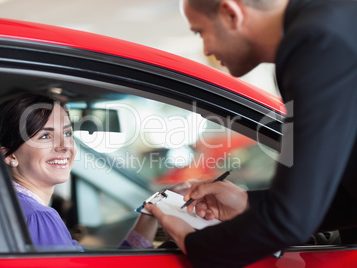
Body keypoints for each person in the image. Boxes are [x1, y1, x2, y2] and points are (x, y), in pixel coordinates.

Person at [145, 0, 357, 267]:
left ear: (230, 13)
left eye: (201, 32)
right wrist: (247, 203)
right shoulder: (333, 22)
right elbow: (347, 200)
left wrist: (187, 238)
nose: (206, 48)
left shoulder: (316, 41)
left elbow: (289, 219)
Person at [0, 93, 158, 250]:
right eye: (45, 136)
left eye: (67, 133)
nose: (65, 146)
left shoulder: (15, 206)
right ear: (9, 155)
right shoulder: (38, 217)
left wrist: (153, 211)